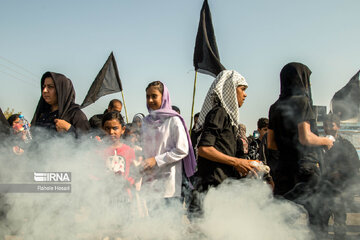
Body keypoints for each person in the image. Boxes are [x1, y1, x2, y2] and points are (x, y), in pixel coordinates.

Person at [267, 62, 334, 237]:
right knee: (318, 216)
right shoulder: (303, 102)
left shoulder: (274, 107)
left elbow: (271, 144)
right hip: (305, 168)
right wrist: (325, 141)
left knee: (282, 219)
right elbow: (305, 137)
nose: (309, 84)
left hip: (283, 170)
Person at [188, 70, 258, 218]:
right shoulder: (219, 113)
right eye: (242, 89)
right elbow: (204, 149)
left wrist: (250, 164)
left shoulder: (230, 121)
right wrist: (236, 162)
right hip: (210, 191)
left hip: (222, 191)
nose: (245, 95)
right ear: (230, 90)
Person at [141, 81, 196, 205]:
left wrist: (156, 160)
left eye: (154, 96)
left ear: (164, 97)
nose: (150, 100)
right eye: (147, 96)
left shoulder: (174, 120)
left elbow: (182, 149)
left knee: (170, 222)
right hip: (150, 182)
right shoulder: (145, 122)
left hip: (169, 183)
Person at [320, 113, 360, 239]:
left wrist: (340, 173)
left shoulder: (346, 145)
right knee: (321, 226)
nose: (328, 128)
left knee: (340, 225)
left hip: (339, 191)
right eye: (325, 125)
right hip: (321, 191)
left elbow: (354, 166)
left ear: (338, 126)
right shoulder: (318, 144)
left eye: (331, 125)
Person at [31, 72, 90, 137]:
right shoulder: (42, 113)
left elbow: (86, 143)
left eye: (50, 87)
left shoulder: (76, 115)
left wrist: (69, 129)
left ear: (61, 90)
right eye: (44, 86)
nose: (45, 90)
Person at [101, 111, 136, 199]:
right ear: (102, 129)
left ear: (123, 130)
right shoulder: (99, 151)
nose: (111, 132)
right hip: (105, 196)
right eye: (107, 128)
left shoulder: (129, 151)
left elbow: (133, 173)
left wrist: (128, 181)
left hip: (124, 196)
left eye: (115, 128)